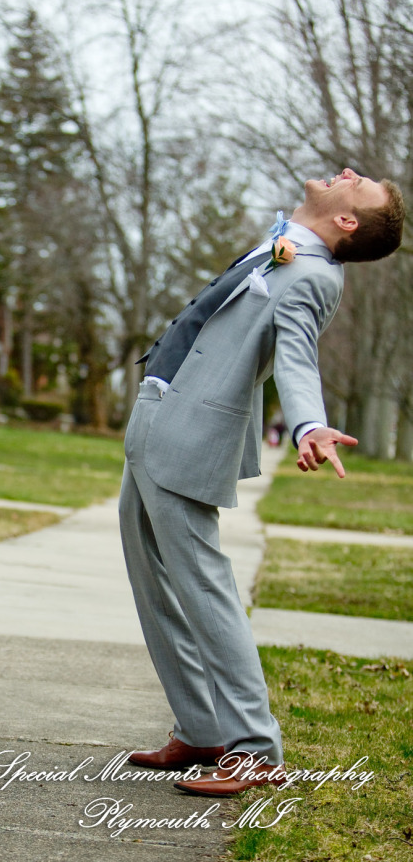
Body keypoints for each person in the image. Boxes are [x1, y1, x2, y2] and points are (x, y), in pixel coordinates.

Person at [120, 168, 405, 796]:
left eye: (361, 184)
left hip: (191, 436)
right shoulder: (290, 245)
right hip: (159, 413)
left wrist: (310, 424)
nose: (349, 172)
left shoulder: (311, 274)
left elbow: (297, 353)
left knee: (205, 587)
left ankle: (254, 748)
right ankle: (201, 729)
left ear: (348, 222)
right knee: (152, 579)